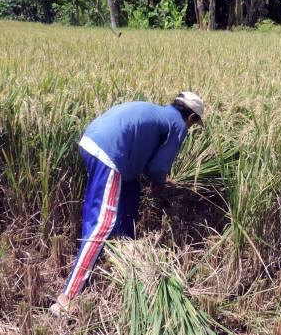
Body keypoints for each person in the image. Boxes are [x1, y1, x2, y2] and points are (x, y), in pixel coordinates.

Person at [49, 92, 204, 316]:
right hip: (111, 153)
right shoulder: (178, 125)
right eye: (194, 123)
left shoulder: (158, 112)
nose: (191, 127)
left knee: (129, 194)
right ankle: (67, 298)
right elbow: (157, 168)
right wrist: (162, 184)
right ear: (191, 117)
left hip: (92, 139)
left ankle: (120, 258)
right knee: (103, 223)